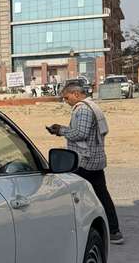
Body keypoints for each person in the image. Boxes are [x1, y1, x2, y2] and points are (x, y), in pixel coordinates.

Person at [47, 80, 124, 244]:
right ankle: (114, 230)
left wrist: (60, 130)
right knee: (101, 195)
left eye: (67, 98)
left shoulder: (82, 109)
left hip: (84, 160)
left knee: (74, 195)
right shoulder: (92, 106)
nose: (66, 101)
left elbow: (80, 134)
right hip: (95, 159)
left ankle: (78, 232)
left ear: (76, 94)